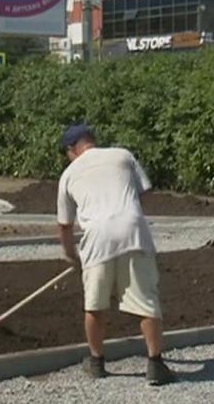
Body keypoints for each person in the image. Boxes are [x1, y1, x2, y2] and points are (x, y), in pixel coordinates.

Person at [56, 124, 176, 386]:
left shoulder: (68, 174)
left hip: (97, 238)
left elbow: (64, 225)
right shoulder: (122, 155)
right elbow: (144, 192)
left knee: (95, 304)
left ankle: (97, 362)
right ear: (92, 141)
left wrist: (71, 256)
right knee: (146, 300)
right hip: (132, 231)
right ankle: (155, 364)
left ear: (71, 149)